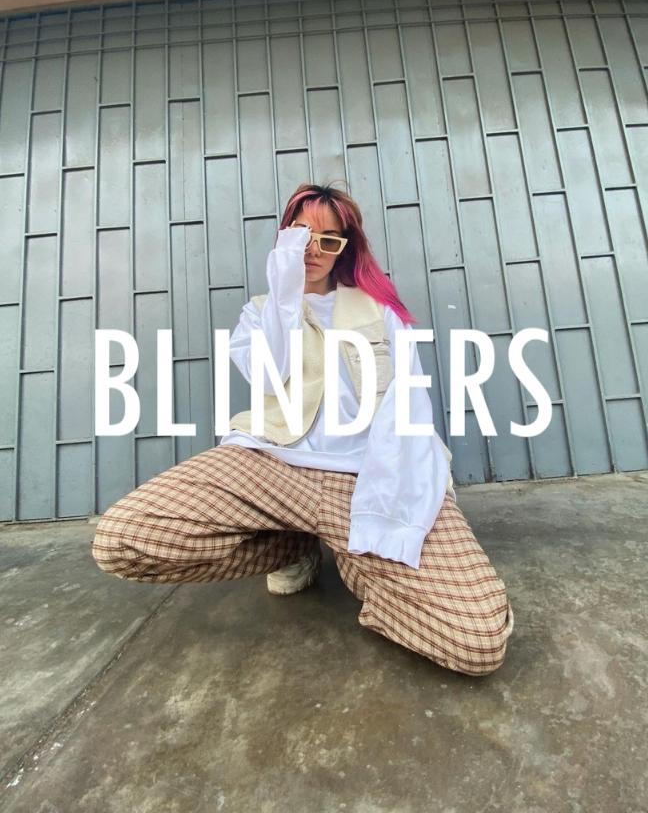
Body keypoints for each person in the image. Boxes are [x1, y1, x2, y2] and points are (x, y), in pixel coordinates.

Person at [92, 182, 514, 676]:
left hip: (366, 475)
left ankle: (360, 566)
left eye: (327, 240)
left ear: (344, 249)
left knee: (478, 642)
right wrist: (285, 289)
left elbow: (408, 409)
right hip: (272, 461)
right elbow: (270, 372)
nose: (313, 250)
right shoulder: (259, 313)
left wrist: (389, 511)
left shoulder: (381, 312)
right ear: (283, 239)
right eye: (300, 236)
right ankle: (290, 546)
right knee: (122, 540)